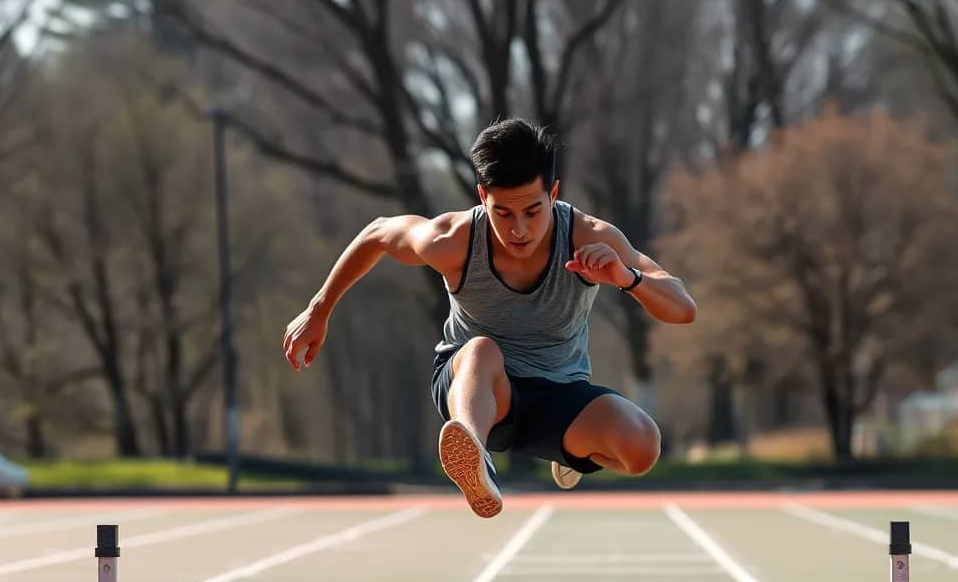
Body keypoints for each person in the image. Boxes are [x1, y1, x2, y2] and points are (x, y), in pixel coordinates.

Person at [283, 117, 696, 518]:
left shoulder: (589, 236)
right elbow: (377, 233)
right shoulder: (453, 240)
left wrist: (626, 278)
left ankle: (571, 452)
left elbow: (682, 308)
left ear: (553, 193)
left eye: (533, 212)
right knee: (481, 348)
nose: (519, 229)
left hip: (558, 392)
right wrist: (319, 310)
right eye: (504, 214)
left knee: (642, 447)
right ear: (483, 197)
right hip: (479, 389)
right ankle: (472, 457)